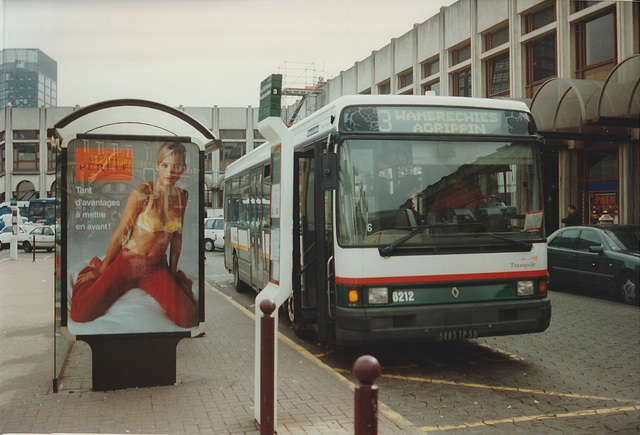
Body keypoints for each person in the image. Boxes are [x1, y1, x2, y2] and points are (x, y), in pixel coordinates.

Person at [70, 142, 198, 328]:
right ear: (157, 165)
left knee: (189, 318)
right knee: (81, 313)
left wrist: (172, 273)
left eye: (176, 166)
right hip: (128, 263)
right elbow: (121, 233)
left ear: (183, 168)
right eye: (165, 165)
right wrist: (101, 269)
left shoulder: (182, 197)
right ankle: (95, 264)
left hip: (156, 267)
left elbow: (177, 239)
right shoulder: (142, 193)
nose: (170, 171)